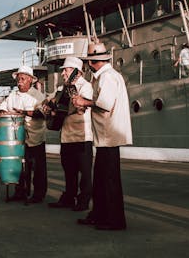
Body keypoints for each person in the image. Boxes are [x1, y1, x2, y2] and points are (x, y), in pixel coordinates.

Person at [73, 42, 132, 230]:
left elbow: (105, 104)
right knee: (101, 180)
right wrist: (87, 103)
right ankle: (99, 215)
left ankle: (113, 221)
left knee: (109, 180)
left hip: (109, 136)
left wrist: (83, 101)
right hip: (105, 137)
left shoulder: (107, 77)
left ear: (92, 63)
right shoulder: (107, 76)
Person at [46, 57, 93, 211]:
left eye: (65, 70)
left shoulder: (85, 86)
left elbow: (81, 108)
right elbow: (55, 104)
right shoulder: (61, 89)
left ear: (76, 72)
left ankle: (83, 200)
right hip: (66, 135)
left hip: (82, 135)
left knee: (84, 172)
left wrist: (71, 94)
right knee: (69, 170)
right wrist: (51, 109)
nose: (63, 73)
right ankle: (69, 197)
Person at [0, 65, 47, 203]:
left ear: (30, 80)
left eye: (23, 78)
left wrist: (23, 112)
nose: (19, 80)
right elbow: (3, 107)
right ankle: (20, 192)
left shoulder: (38, 96)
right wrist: (4, 112)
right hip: (18, 137)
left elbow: (42, 113)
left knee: (38, 168)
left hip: (35, 136)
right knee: (20, 166)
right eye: (18, 78)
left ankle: (38, 195)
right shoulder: (13, 95)